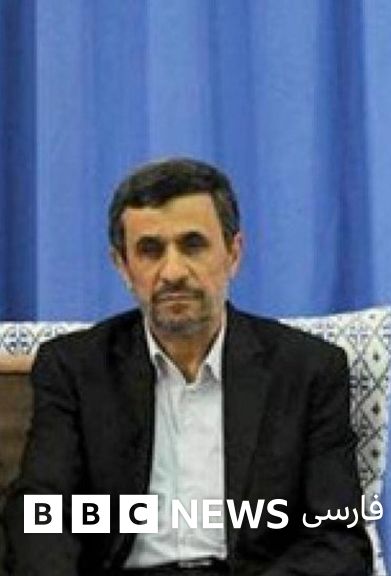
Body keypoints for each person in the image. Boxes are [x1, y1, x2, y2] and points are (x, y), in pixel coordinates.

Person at [3, 158, 371, 575]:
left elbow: (339, 538)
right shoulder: (74, 368)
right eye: (150, 250)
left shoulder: (307, 370)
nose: (173, 271)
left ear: (233, 253)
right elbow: (38, 516)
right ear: (122, 266)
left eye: (193, 245)